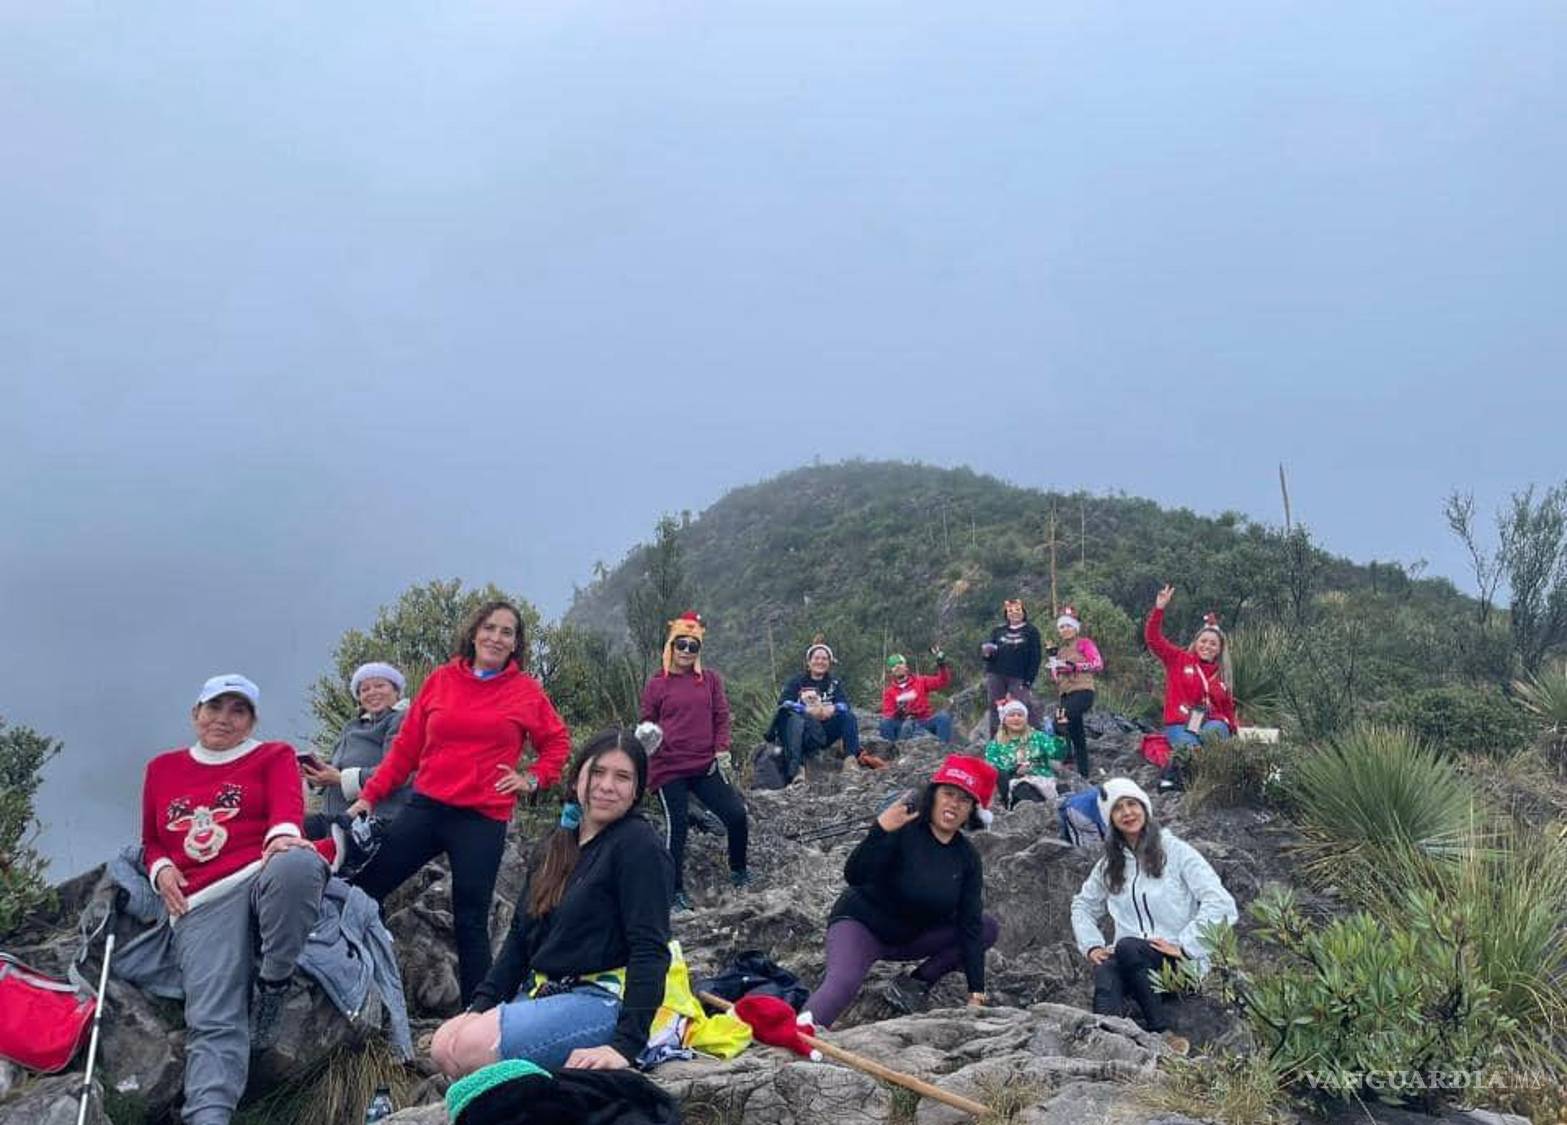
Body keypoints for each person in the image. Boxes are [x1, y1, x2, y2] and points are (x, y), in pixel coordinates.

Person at [347, 600, 571, 1006]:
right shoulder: (441, 680)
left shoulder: (524, 691)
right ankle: (362, 987)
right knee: (365, 889)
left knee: (471, 918)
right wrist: (369, 797)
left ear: (516, 643)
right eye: (489, 628)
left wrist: (532, 778)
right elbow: (405, 750)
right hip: (428, 807)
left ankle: (476, 1014)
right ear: (473, 632)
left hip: (482, 818)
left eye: (507, 632)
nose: (496, 638)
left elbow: (556, 742)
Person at [140, 674, 332, 1125]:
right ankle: (209, 1114)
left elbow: (287, 812)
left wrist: (283, 838)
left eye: (238, 710)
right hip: (201, 899)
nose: (224, 719)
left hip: (260, 870)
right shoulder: (161, 769)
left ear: (251, 720)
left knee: (300, 866)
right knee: (213, 1019)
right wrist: (159, 869)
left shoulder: (274, 755)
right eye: (215, 707)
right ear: (196, 714)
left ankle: (274, 982)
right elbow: (152, 840)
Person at [428, 729, 674, 1078]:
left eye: (622, 777)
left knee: (469, 1048)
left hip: (603, 1000)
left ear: (636, 791)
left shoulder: (638, 847)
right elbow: (519, 938)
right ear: (577, 781)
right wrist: (480, 1004)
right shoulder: (558, 845)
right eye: (598, 772)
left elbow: (650, 949)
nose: (607, 786)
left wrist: (624, 1046)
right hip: (547, 991)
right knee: (443, 1044)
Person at [803, 754, 1002, 1028]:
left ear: (971, 812)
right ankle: (793, 1037)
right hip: (862, 927)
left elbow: (970, 923)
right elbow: (855, 875)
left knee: (986, 927)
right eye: (948, 793)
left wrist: (976, 993)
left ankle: (915, 984)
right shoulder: (903, 829)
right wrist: (880, 831)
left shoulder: (967, 857)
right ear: (933, 796)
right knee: (842, 984)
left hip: (911, 937)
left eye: (964, 799)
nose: (953, 804)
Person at [1070, 778, 1237, 1046]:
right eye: (1118, 808)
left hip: (1179, 966)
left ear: (1145, 808)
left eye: (1132, 804)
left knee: (1125, 947)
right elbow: (1082, 905)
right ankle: (1107, 1043)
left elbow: (1221, 903)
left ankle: (1160, 1033)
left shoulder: (1177, 852)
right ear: (1110, 819)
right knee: (1105, 968)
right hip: (1131, 960)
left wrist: (1185, 945)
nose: (1127, 813)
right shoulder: (1109, 865)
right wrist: (1091, 945)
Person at [639, 612, 751, 912]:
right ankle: (673, 891)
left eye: (693, 646)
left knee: (736, 815)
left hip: (704, 765)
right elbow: (647, 722)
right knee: (678, 828)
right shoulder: (656, 684)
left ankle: (739, 871)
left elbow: (721, 716)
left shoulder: (710, 680)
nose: (686, 651)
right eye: (681, 645)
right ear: (670, 646)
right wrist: (647, 743)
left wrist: (721, 749)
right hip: (668, 768)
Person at [301, 661, 411, 839]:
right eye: (365, 689)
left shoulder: (402, 719)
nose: (372, 692)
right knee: (288, 828)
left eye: (380, 685)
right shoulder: (351, 727)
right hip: (337, 819)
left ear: (397, 691)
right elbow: (336, 767)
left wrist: (340, 779)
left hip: (377, 819)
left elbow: (399, 771)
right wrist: (316, 773)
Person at [1145, 585, 1237, 790]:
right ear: (1196, 642)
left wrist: (1235, 731)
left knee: (1215, 734)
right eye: (1203, 641)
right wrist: (1159, 609)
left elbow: (1228, 710)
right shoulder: (1178, 659)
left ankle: (1215, 780)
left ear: (1220, 649)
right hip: (1181, 723)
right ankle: (1172, 780)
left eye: (1213, 644)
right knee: (1190, 752)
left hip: (1211, 723)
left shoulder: (1222, 675)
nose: (1207, 646)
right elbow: (1153, 639)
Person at [767, 638, 872, 782]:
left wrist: (831, 708)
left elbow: (845, 705)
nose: (820, 662)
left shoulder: (834, 683)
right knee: (791, 721)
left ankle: (850, 761)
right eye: (816, 658)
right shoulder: (796, 682)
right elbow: (784, 704)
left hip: (825, 730)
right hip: (804, 732)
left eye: (824, 659)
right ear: (809, 662)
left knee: (848, 717)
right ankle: (798, 769)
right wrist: (806, 710)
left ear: (829, 663)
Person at [1048, 605, 1104, 776]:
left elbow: (1098, 664)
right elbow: (1055, 678)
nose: (1065, 630)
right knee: (1077, 735)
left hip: (1083, 690)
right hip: (1065, 693)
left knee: (1060, 719)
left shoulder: (1084, 644)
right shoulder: (1061, 650)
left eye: (1068, 626)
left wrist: (1075, 667)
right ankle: (1084, 774)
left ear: (1076, 627)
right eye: (1062, 627)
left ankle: (1067, 758)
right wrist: (1052, 660)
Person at [983, 698, 1067, 809]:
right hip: (1015, 786)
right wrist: (1014, 771)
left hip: (1043, 780)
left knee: (1065, 791)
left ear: (1026, 718)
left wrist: (1060, 734)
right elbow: (991, 771)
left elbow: (1057, 754)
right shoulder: (995, 745)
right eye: (1012, 715)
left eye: (1020, 715)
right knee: (1023, 788)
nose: (1016, 718)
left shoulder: (1037, 737)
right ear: (1004, 719)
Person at [980, 599, 1043, 736]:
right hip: (996, 674)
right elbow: (990, 655)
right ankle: (996, 743)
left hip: (1019, 676)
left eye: (1017, 610)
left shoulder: (1031, 631)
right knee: (996, 708)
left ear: (1023, 612)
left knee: (1018, 708)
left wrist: (1029, 680)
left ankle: (1033, 740)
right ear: (1006, 614)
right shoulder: (998, 631)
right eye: (1010, 611)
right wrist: (987, 654)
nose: (1014, 613)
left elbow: (1035, 657)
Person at [877, 649, 953, 744]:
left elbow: (942, 681)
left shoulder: (921, 681)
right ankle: (891, 752)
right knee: (885, 723)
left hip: (923, 721)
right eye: (893, 665)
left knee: (943, 717)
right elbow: (887, 714)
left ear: (906, 666)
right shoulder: (889, 692)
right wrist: (898, 713)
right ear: (891, 671)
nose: (897, 667)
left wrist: (941, 665)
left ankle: (943, 749)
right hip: (902, 724)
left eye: (899, 663)